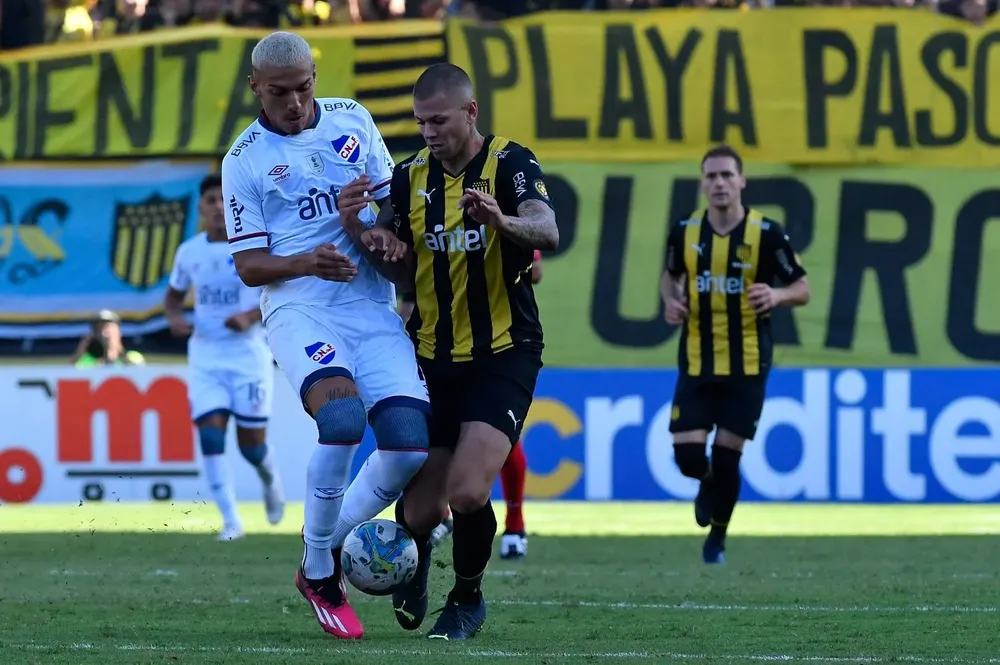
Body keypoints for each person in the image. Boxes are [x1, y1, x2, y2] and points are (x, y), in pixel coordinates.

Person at [337, 62, 559, 640]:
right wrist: (373, 238)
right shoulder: (409, 177)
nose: (429, 132)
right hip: (430, 355)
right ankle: (413, 570)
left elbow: (547, 231)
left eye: (438, 120)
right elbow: (403, 271)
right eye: (420, 122)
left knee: (466, 490)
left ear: (470, 112)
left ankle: (467, 598)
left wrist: (500, 219)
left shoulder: (511, 162)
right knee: (416, 513)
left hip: (503, 353)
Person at [221, 31, 431, 641]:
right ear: (255, 87)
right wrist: (307, 262)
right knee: (341, 422)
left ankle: (327, 546)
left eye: (304, 87)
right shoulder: (245, 159)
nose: (294, 101)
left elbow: (392, 203)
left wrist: (382, 235)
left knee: (409, 449)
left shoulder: (353, 119)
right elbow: (250, 266)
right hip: (300, 309)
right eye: (280, 91)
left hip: (370, 305)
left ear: (316, 76)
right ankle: (320, 570)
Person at [662, 145, 810, 565]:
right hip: (696, 359)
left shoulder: (767, 233)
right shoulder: (685, 232)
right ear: (702, 184)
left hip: (747, 363)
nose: (720, 183)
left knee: (728, 457)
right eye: (711, 176)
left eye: (727, 175)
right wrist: (671, 302)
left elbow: (802, 287)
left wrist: (777, 294)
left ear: (742, 181)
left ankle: (718, 539)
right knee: (689, 458)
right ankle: (705, 482)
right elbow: (670, 277)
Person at [164, 174, 285, 542]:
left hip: (248, 355)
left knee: (251, 447)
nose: (218, 207)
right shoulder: (190, 252)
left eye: (223, 200)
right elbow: (173, 297)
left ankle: (270, 480)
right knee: (211, 436)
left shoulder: (253, 248)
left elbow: (279, 294)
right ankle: (231, 521)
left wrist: (249, 317)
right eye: (210, 201)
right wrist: (174, 319)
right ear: (200, 209)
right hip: (206, 356)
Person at [420, 249, 541, 559]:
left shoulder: (497, 207)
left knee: (498, 437)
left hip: (495, 348)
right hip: (438, 346)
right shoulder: (418, 210)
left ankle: (515, 525)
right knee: (435, 441)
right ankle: (439, 517)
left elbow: (535, 268)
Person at [72, 310, 146, 367]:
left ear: (119, 332)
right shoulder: (87, 361)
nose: (104, 334)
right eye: (98, 329)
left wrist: (120, 355)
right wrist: (79, 354)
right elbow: (70, 377)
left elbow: (140, 377)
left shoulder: (133, 357)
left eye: (109, 329)